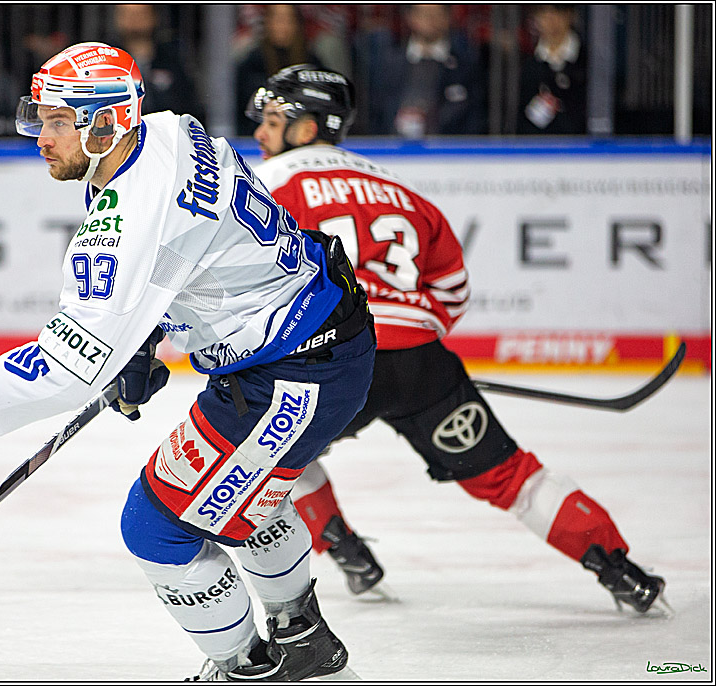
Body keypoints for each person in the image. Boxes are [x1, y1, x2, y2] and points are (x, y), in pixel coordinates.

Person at [0, 43, 376, 680]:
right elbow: (192, 250)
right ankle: (302, 636)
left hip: (297, 371)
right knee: (240, 497)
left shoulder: (125, 222)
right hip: (300, 341)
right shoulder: (171, 130)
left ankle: (243, 664)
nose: (42, 136)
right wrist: (144, 338)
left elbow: (70, 368)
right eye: (40, 118)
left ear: (109, 121)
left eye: (59, 122)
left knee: (156, 528)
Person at [246, 64, 669, 615]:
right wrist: (409, 342)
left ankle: (342, 547)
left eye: (273, 120)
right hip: (423, 365)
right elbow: (450, 293)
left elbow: (255, 283)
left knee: (270, 452)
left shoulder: (268, 186)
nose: (259, 133)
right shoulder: (398, 189)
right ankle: (620, 569)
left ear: (306, 128)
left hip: (332, 361)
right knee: (511, 476)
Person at [367, 4, 487, 137]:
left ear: (447, 17)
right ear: (410, 17)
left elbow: (474, 115)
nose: (430, 19)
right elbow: (377, 111)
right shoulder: (389, 62)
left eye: (436, 14)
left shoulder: (465, 64)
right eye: (423, 13)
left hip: (448, 151)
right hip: (394, 151)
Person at [234, 5, 325, 136]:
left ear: (297, 24)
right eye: (278, 19)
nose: (283, 26)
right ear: (267, 23)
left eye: (289, 19)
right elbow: (243, 114)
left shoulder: (312, 63)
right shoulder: (251, 64)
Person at [112, 4, 204, 123]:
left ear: (154, 16)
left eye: (140, 13)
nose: (133, 19)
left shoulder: (173, 59)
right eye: (127, 14)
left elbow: (191, 107)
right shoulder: (107, 62)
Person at [517, 4, 587, 135]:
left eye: (557, 12)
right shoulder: (528, 66)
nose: (551, 20)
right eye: (544, 13)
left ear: (570, 15)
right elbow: (522, 120)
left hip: (582, 149)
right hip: (540, 149)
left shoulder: (588, 61)